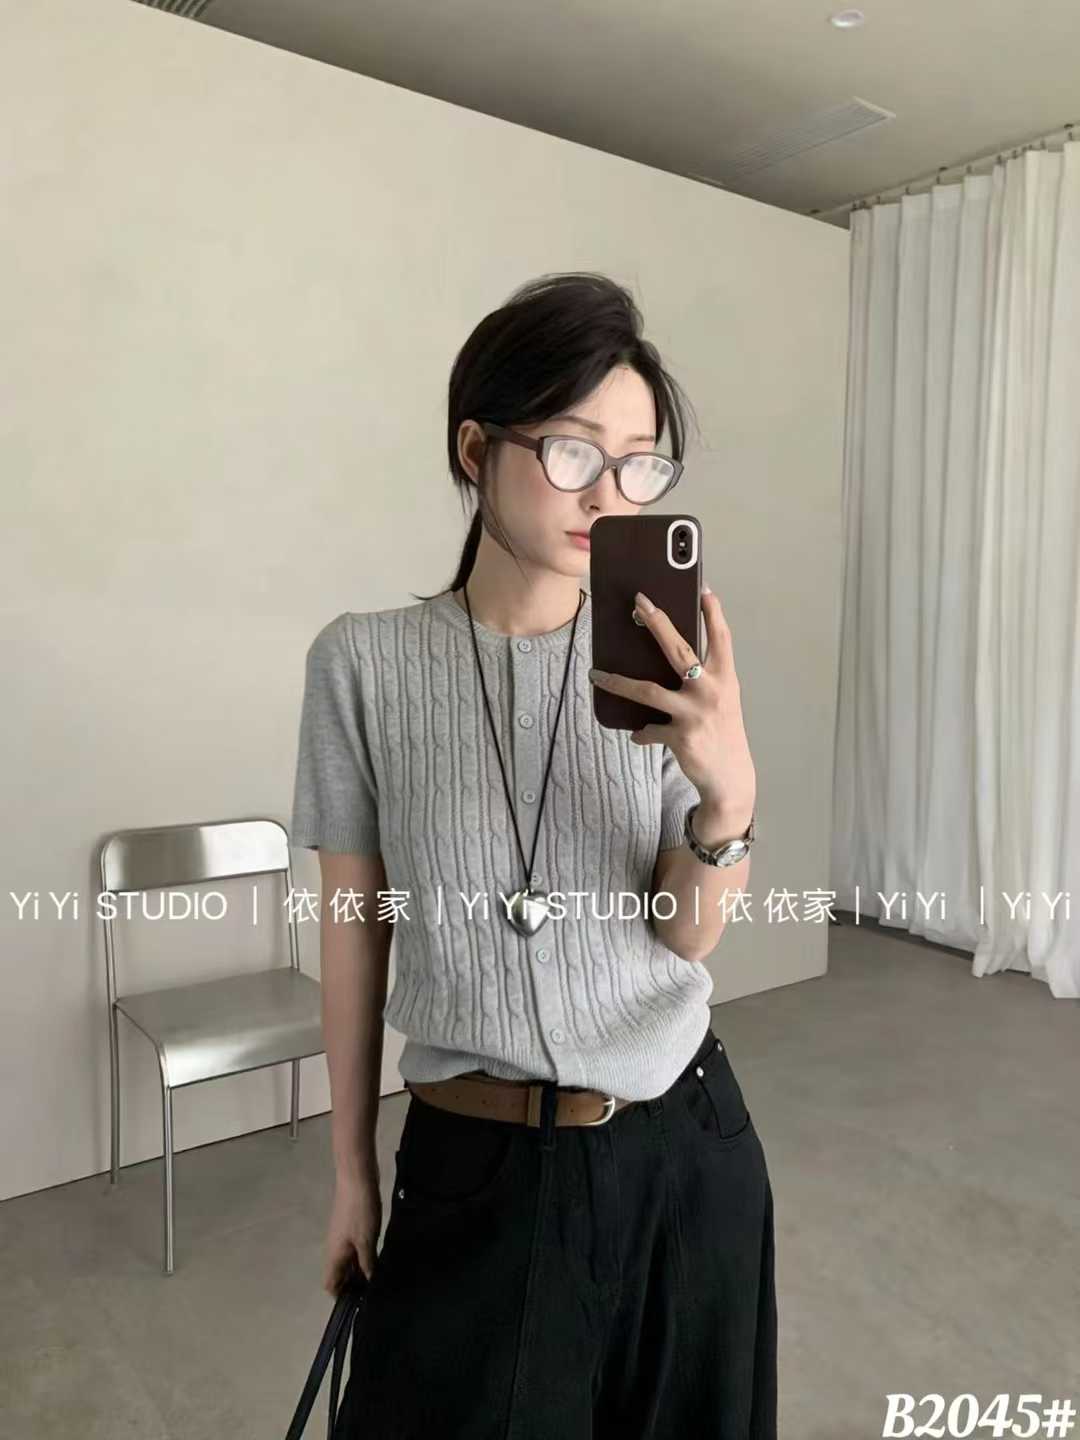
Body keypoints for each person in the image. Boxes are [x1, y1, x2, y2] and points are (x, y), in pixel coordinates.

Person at [289, 271, 776, 1439]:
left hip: (685, 1147)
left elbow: (687, 935)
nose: (608, 492)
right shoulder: (361, 664)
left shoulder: (661, 667)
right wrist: (352, 1169)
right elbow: (355, 932)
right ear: (477, 448)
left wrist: (730, 796)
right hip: (479, 1162)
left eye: (640, 464)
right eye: (571, 450)